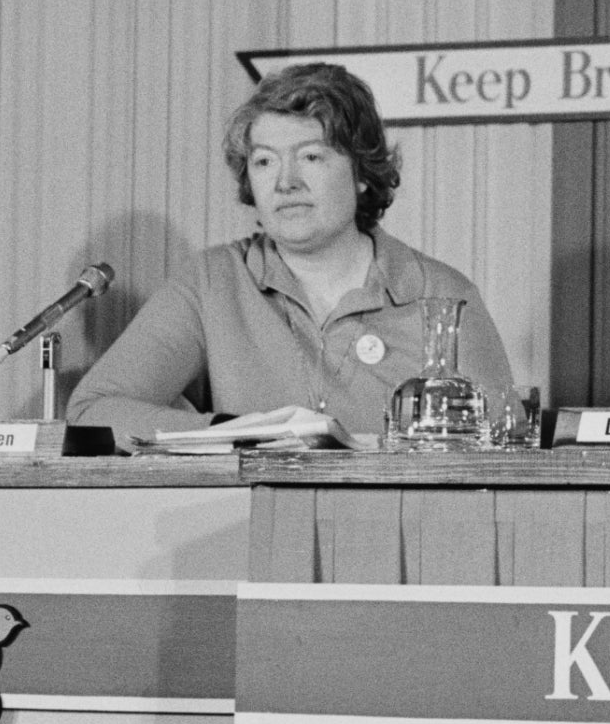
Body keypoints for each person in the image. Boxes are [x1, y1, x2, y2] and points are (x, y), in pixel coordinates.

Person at [69, 62, 516, 449]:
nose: (285, 182)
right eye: (264, 162)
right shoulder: (213, 282)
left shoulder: (439, 293)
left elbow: (504, 436)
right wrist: (237, 435)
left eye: (311, 158)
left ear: (362, 172)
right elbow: (94, 410)